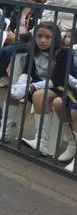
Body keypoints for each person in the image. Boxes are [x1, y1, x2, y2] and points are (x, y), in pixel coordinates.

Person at [19, 22, 73, 156]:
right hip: (42, 85)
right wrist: (21, 84)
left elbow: (58, 81)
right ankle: (5, 130)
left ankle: (43, 141)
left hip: (61, 87)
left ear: (55, 39)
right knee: (15, 91)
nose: (42, 40)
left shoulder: (62, 53)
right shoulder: (33, 49)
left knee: (39, 95)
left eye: (47, 37)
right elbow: (28, 71)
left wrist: (32, 86)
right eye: (39, 36)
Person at [0, 0, 41, 87]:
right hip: (14, 37)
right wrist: (9, 33)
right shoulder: (18, 7)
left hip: (28, 41)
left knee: (5, 50)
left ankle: (3, 76)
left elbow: (35, 31)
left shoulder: (39, 11)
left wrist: (19, 36)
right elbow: (11, 25)